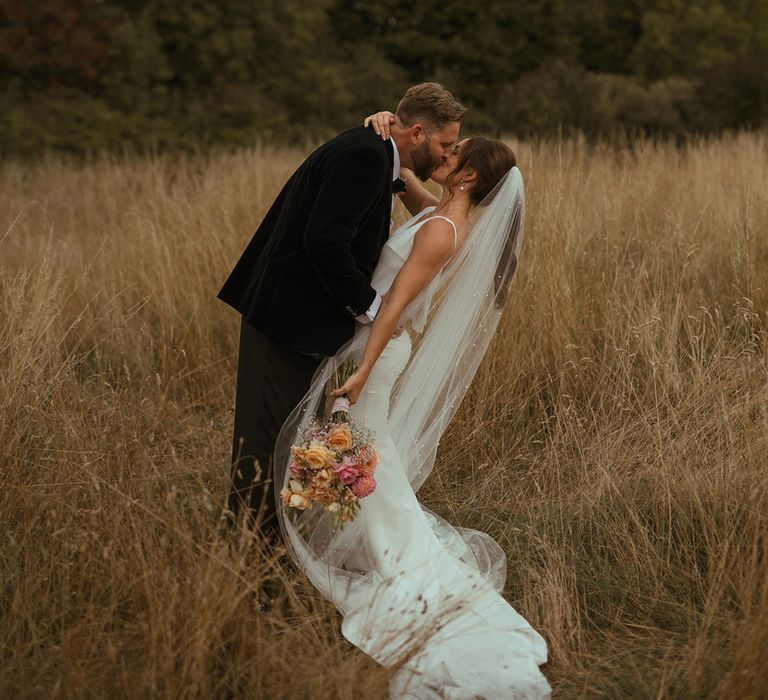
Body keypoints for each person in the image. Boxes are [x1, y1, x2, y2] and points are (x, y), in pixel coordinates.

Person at [275, 117, 551, 697]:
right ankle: (387, 551)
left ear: (470, 174)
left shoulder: (440, 232)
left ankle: (401, 567)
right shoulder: (444, 214)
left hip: (380, 349)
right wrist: (384, 127)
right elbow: (411, 189)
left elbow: (392, 306)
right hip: (375, 347)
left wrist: (364, 371)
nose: (442, 156)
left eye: (454, 154)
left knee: (370, 460)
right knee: (376, 457)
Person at [216, 84, 466, 538]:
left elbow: (428, 217)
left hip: (303, 325)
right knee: (265, 445)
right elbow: (324, 242)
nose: (446, 154)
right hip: (286, 322)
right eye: (444, 144)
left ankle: (265, 550)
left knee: (281, 443)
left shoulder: (377, 154)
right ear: (415, 133)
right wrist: (372, 307)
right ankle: (249, 560)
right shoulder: (364, 157)